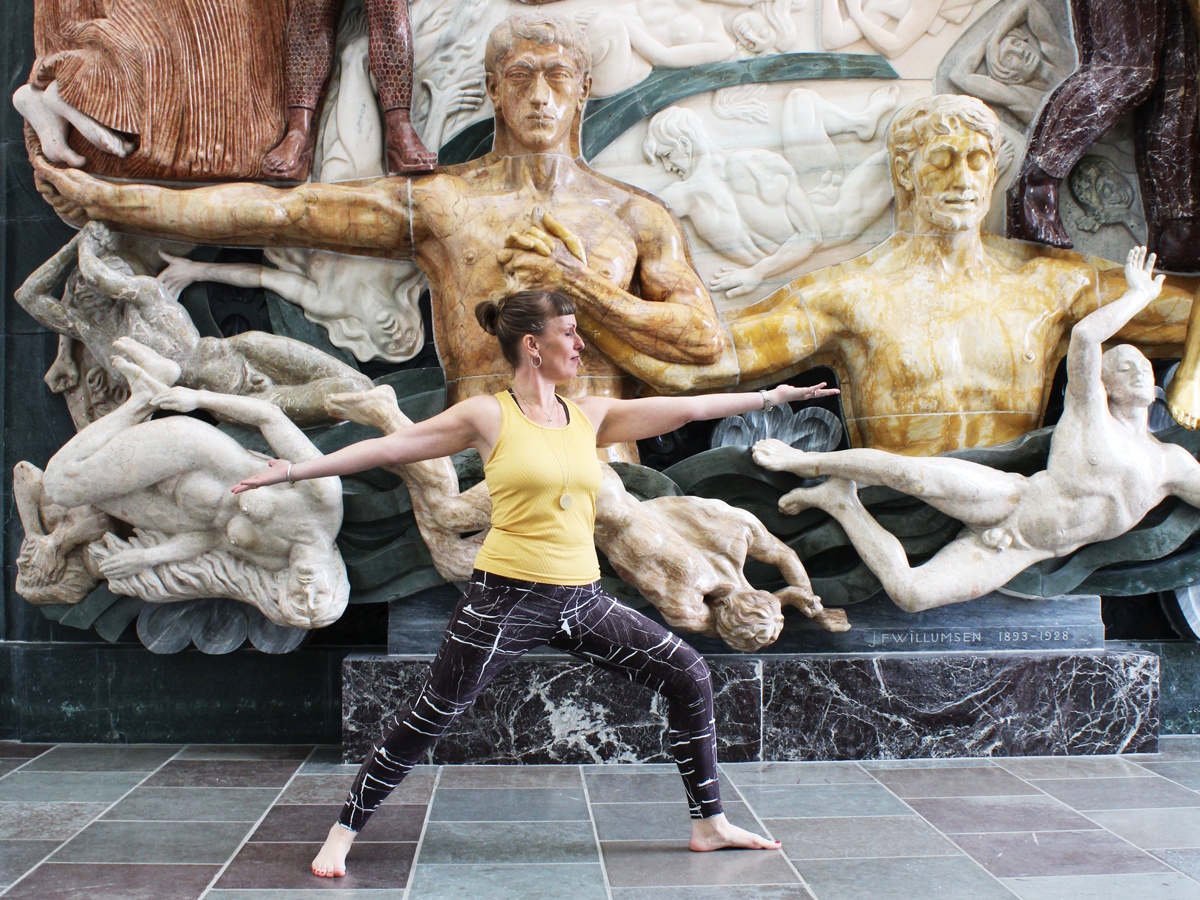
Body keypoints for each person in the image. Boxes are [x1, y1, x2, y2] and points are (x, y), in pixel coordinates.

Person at [233, 289, 839, 876]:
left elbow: (690, 408)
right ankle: (343, 833)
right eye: (569, 333)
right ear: (533, 345)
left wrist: (770, 397)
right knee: (433, 713)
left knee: (689, 673)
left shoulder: (587, 415)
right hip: (505, 599)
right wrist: (293, 469)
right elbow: (392, 447)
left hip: (582, 598)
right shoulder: (488, 415)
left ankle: (709, 823)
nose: (579, 344)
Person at [32, 14, 738, 455]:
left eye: (559, 76)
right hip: (482, 464)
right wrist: (112, 200)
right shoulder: (442, 204)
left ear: (584, 88)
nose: (540, 95)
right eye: (520, 76)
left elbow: (701, 337)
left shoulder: (630, 215)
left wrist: (579, 283)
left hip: (601, 468)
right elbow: (284, 214)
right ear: (492, 88)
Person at [632, 94, 1191, 456]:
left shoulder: (1051, 283)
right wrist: (581, 301)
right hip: (895, 518)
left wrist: (1190, 377)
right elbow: (700, 363)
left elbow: (1186, 312)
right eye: (943, 159)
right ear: (905, 170)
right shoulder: (848, 294)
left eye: (977, 160)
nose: (964, 178)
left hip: (1025, 523)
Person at [751, 247, 1200, 612]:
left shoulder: (1170, 463)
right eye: (1123, 367)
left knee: (911, 595)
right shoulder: (1089, 411)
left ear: (1159, 388)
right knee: (912, 474)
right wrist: (1138, 296)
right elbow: (1085, 338)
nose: (1138, 372)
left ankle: (841, 501)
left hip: (1021, 549)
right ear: (1105, 383)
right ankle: (807, 462)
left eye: (1143, 366)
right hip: (1008, 498)